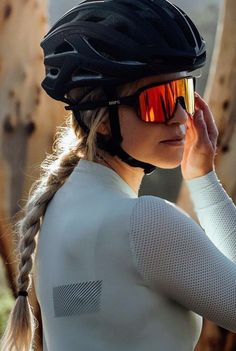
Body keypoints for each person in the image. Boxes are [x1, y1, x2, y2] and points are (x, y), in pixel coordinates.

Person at [1, 0, 236, 350]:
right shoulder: (145, 223)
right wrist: (204, 180)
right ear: (104, 116)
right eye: (157, 101)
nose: (178, 117)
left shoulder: (55, 214)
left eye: (182, 94)